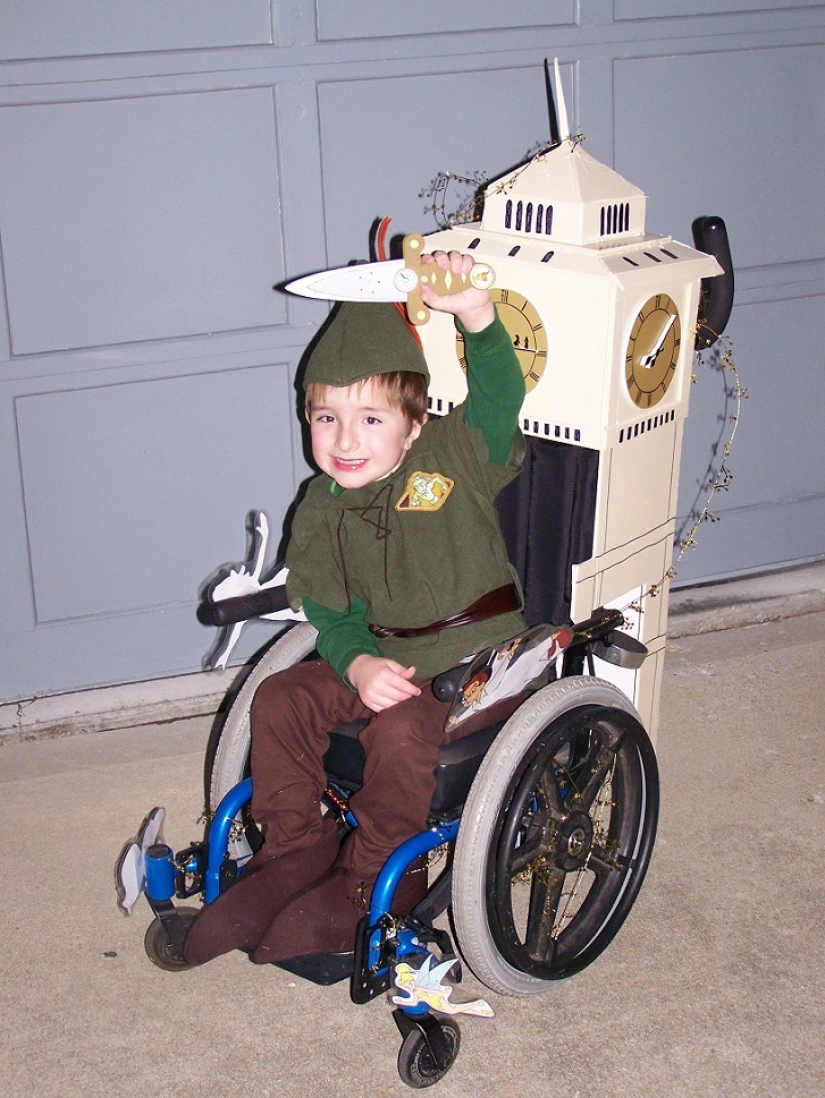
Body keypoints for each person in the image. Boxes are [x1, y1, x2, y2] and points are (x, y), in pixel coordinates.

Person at [184, 250, 527, 967]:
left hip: (472, 660)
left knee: (398, 733)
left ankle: (376, 875)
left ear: (414, 423)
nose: (344, 440)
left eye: (371, 418)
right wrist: (357, 660)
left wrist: (475, 315)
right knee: (280, 697)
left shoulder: (454, 457)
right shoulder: (320, 504)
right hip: (381, 653)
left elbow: (498, 397)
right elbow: (328, 606)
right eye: (326, 417)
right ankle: (295, 849)